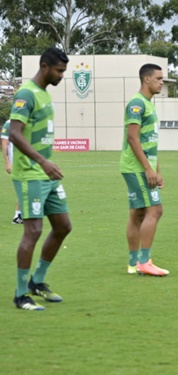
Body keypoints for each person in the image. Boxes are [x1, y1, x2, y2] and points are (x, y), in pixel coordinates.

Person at [9, 47, 71, 310]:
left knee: (63, 226)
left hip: (47, 175)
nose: (61, 76)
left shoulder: (44, 94)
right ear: (44, 66)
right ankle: (21, 293)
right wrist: (43, 161)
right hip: (31, 174)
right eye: (59, 70)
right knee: (33, 230)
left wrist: (47, 165)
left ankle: (38, 281)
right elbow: (14, 133)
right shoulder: (26, 94)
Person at [120, 63, 169, 277]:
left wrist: (157, 170)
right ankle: (144, 261)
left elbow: (150, 142)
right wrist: (148, 170)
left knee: (138, 213)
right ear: (146, 79)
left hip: (141, 166)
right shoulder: (137, 104)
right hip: (136, 167)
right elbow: (133, 137)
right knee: (155, 210)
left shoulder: (148, 105)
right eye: (158, 78)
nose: (161, 82)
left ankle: (133, 263)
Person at [2, 120, 23, 223]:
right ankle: (18, 215)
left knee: (26, 189)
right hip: (17, 164)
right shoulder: (9, 123)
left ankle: (20, 214)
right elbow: (4, 143)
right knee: (23, 189)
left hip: (28, 163)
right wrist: (8, 163)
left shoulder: (28, 121)